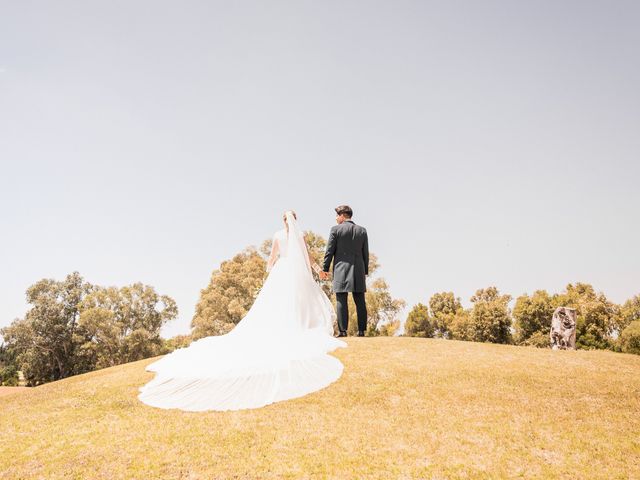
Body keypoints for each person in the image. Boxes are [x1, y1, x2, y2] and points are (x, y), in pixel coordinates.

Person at [138, 211, 346, 412]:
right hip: (295, 273)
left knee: (277, 303)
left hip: (282, 272)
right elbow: (306, 256)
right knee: (300, 300)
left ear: (283, 221)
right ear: (295, 221)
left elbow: (272, 257)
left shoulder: (277, 235)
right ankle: (302, 325)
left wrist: (269, 272)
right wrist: (319, 269)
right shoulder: (299, 235)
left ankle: (282, 327)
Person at [321, 205, 369, 337]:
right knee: (360, 300)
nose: (336, 218)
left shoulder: (335, 230)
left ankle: (343, 331)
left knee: (341, 299)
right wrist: (365, 271)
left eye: (337, 215)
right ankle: (361, 331)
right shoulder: (362, 230)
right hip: (358, 269)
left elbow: (329, 251)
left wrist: (325, 268)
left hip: (341, 269)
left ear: (342, 215)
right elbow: (366, 253)